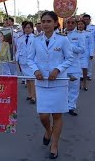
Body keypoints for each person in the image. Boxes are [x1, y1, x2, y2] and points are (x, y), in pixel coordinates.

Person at [27, 11, 73, 159]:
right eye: (43, 21)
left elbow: (69, 58)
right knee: (43, 116)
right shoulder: (36, 40)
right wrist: (35, 71)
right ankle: (48, 130)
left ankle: (54, 144)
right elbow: (30, 59)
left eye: (48, 21)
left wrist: (58, 69)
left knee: (57, 115)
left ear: (55, 23)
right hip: (42, 82)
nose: (45, 24)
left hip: (58, 83)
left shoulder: (62, 40)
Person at [65, 17, 85, 116]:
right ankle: (64, 105)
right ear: (65, 23)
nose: (70, 24)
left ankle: (71, 107)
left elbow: (82, 50)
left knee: (73, 88)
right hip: (62, 66)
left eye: (72, 22)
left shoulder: (79, 35)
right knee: (64, 87)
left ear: (75, 24)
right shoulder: (60, 35)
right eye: (68, 22)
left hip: (74, 66)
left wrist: (69, 46)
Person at [16, 21, 36, 104]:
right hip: (23, 61)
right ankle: (29, 94)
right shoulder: (20, 38)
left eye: (29, 27)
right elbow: (18, 50)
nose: (27, 29)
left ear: (32, 28)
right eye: (25, 28)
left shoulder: (35, 38)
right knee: (27, 79)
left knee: (32, 79)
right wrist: (17, 60)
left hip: (32, 62)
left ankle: (34, 96)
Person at [76, 20, 94, 91]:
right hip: (77, 54)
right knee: (77, 70)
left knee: (84, 69)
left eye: (81, 24)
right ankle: (79, 84)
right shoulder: (75, 34)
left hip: (85, 54)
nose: (80, 25)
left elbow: (91, 44)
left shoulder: (88, 34)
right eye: (79, 24)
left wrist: (91, 53)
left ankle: (84, 84)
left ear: (84, 25)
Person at [83, 14, 95, 80]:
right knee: (81, 62)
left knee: (89, 61)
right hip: (81, 47)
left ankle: (88, 75)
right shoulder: (79, 26)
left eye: (87, 19)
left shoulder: (94, 27)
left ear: (90, 20)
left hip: (90, 47)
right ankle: (82, 75)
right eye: (84, 19)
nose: (86, 21)